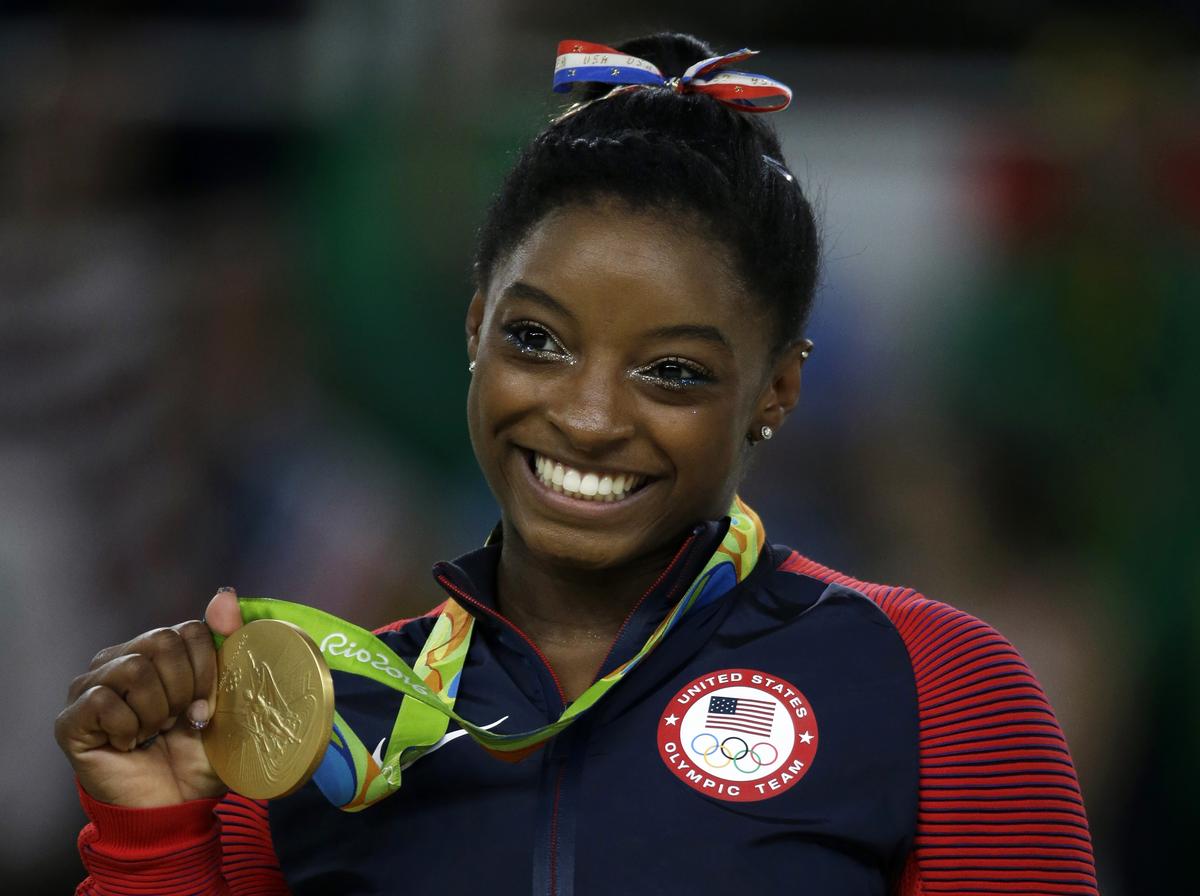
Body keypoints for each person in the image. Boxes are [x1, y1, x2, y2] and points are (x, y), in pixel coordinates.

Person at [56, 33, 1099, 895]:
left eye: (673, 370)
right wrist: (156, 832)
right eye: (538, 341)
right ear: (475, 328)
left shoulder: (938, 688)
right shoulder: (312, 722)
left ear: (777, 390)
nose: (589, 416)